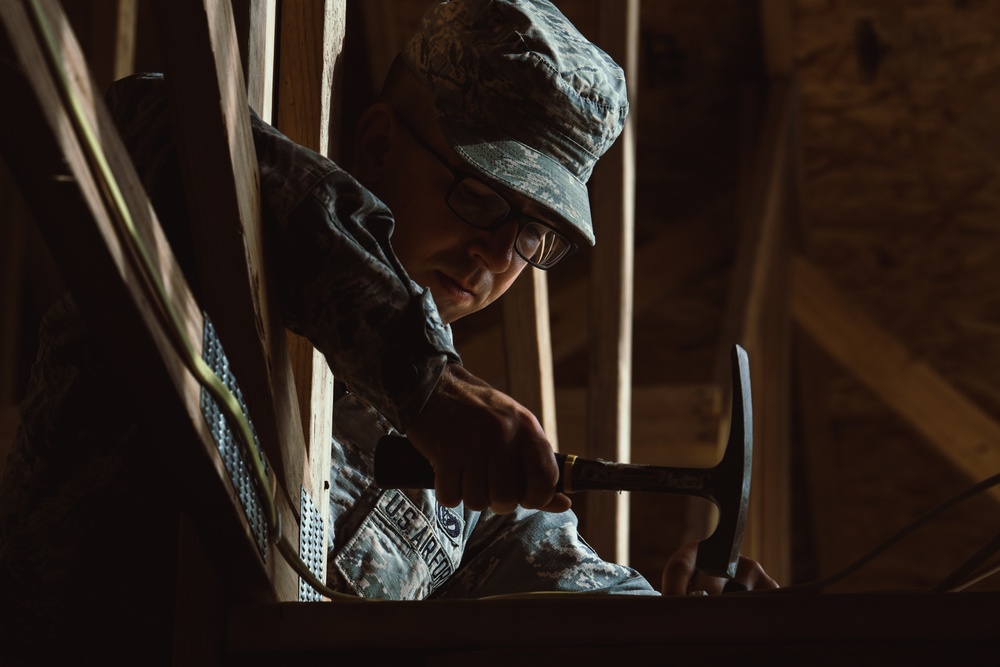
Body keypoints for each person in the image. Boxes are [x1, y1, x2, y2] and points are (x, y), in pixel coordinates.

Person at [0, 0, 776, 660]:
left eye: (536, 234)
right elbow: (150, 123)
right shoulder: (227, 244)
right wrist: (428, 380)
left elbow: (574, 594)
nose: (499, 255)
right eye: (481, 196)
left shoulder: (463, 496)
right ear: (377, 143)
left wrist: (694, 624)